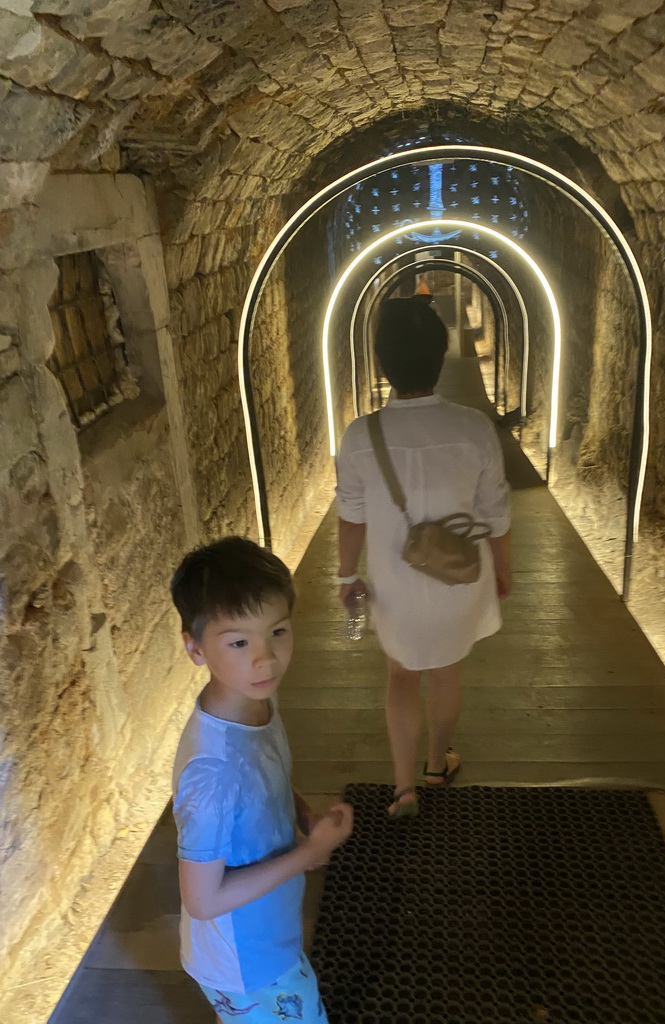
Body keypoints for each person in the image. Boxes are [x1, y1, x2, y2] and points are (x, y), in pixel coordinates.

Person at [335, 297, 511, 820]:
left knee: (401, 677)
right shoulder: (474, 428)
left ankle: (404, 787)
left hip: (395, 585)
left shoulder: (359, 437)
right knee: (447, 672)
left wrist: (346, 576)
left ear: (382, 363)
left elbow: (351, 517)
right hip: (461, 577)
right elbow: (497, 513)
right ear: (441, 356)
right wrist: (504, 569)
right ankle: (438, 764)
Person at [169, 537, 353, 1024]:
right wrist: (309, 855)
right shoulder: (212, 775)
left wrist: (297, 811)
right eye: (238, 641)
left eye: (277, 631)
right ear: (195, 647)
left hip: (266, 934)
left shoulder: (253, 702)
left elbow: (266, 770)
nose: (265, 658)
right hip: (245, 963)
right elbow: (203, 900)